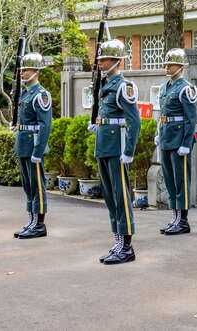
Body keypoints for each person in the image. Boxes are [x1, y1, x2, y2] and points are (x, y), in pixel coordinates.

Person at [88, 38, 140, 264]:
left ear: (117, 61)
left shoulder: (122, 87)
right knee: (110, 197)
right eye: (100, 59)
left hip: (117, 148)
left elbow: (134, 122)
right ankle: (118, 240)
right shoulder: (105, 85)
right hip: (104, 146)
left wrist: (129, 150)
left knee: (121, 196)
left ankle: (127, 246)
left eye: (105, 59)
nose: (100, 62)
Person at [157, 48, 197, 236]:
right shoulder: (165, 87)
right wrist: (158, 133)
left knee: (181, 180)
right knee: (170, 180)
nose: (167, 67)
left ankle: (183, 220)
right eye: (166, 64)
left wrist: (186, 144)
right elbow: (162, 114)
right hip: (166, 137)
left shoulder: (185, 88)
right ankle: (175, 217)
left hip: (179, 139)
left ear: (181, 66)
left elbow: (191, 119)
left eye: (171, 64)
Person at [13, 52, 52, 239]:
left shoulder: (41, 95)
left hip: (33, 145)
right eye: (22, 70)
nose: (22, 73)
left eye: (26, 69)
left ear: (36, 71)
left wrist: (38, 150)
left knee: (37, 186)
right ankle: (32, 220)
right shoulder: (26, 93)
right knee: (28, 185)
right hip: (23, 143)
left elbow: (45, 125)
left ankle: (39, 224)